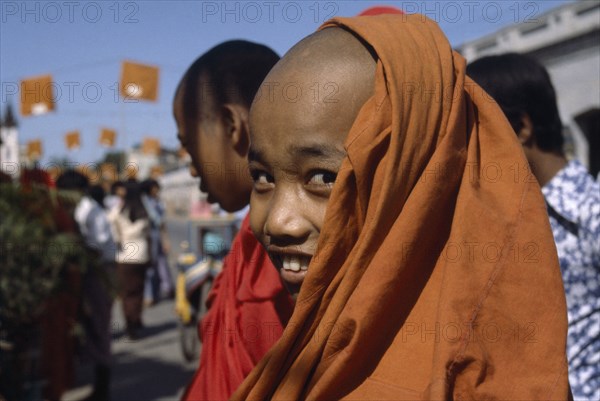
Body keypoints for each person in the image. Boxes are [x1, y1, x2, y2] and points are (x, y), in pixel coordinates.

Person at [233, 14, 571, 399]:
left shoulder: (467, 379)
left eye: (325, 179)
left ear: (416, 178)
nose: (277, 221)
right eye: (262, 177)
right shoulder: (316, 347)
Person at [467, 53, 600, 400]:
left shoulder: (591, 212)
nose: (468, 154)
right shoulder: (511, 221)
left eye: (475, 134)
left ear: (521, 128)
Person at [173, 40, 294, 401]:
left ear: (231, 126)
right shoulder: (251, 237)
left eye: (190, 145)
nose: (193, 168)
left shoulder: (285, 244)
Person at [55, 170, 116, 401]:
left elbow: (97, 248)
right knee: (88, 325)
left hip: (99, 271)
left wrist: (71, 245)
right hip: (88, 271)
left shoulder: (90, 210)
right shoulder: (79, 209)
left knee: (99, 325)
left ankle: (103, 387)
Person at [110, 180, 151, 340]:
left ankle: (130, 323)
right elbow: (148, 233)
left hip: (124, 256)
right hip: (140, 255)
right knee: (138, 291)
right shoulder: (144, 211)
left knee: (126, 293)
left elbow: (111, 225)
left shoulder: (119, 211)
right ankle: (135, 320)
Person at [141, 178, 174, 305]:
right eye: (155, 188)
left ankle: (167, 288)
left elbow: (162, 222)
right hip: (150, 235)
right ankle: (149, 295)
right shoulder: (145, 201)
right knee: (151, 266)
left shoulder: (156, 201)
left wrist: (166, 239)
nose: (157, 191)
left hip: (158, 235)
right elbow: (156, 219)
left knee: (162, 263)